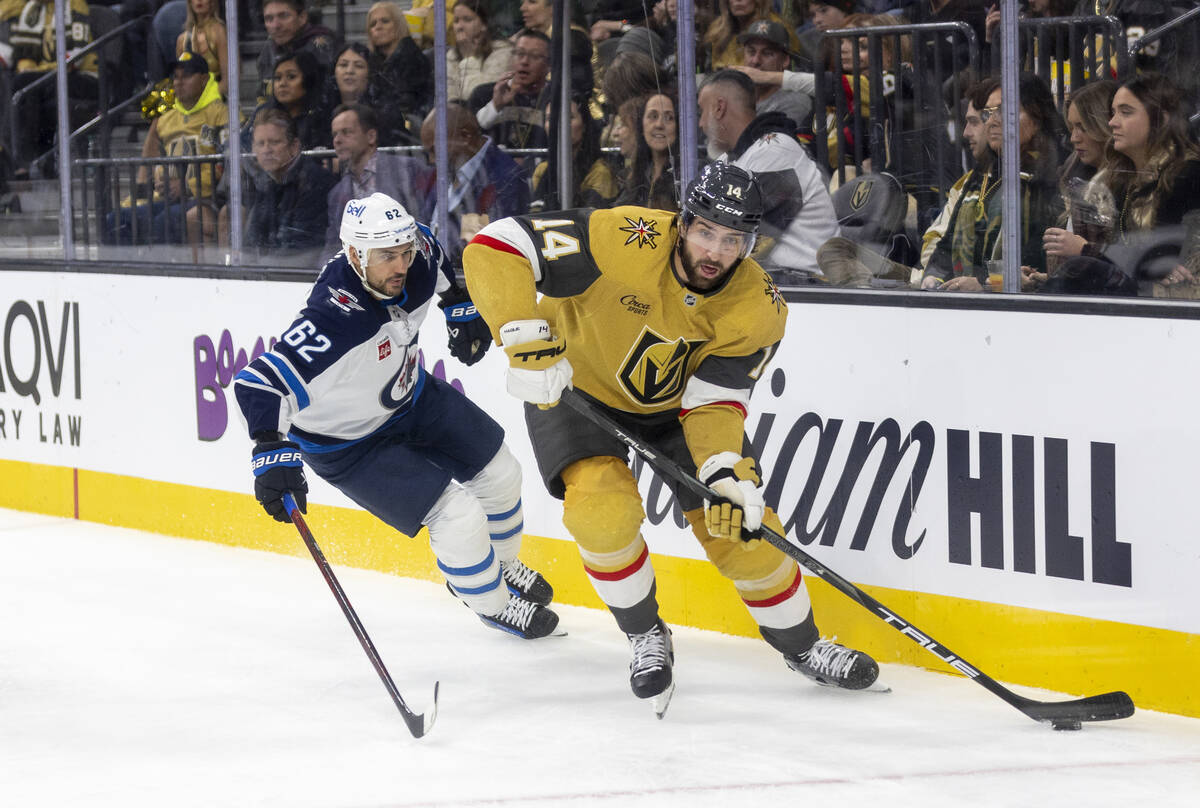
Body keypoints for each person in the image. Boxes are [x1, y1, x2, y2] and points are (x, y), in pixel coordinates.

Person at [461, 162, 879, 713]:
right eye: (706, 231)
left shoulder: (757, 308)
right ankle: (644, 635)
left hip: (678, 410)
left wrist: (723, 468)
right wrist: (521, 330)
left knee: (745, 532)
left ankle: (804, 647)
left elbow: (714, 400)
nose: (716, 251)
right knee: (600, 513)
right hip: (577, 387)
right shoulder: (623, 240)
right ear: (683, 224)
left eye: (734, 240)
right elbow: (497, 244)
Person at [233, 191, 560, 641]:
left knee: (502, 473)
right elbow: (257, 382)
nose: (401, 265)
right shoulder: (335, 316)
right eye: (386, 256)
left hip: (410, 395)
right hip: (349, 444)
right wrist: (271, 451)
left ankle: (501, 566)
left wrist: (458, 305)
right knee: (458, 516)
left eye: (403, 251)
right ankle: (493, 603)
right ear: (354, 254)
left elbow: (438, 258)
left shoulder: (418, 250)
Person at [817, 77, 999, 287]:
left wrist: (980, 284)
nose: (965, 132)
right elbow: (942, 246)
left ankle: (869, 301)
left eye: (974, 122)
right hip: (923, 278)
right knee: (834, 249)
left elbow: (997, 266)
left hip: (952, 286)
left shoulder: (1013, 188)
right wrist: (930, 276)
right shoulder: (968, 183)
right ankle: (867, 297)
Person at [1047, 73, 1200, 298]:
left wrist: (1085, 249)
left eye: (1125, 112)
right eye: (1113, 113)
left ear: (1161, 119)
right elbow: (1133, 261)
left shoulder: (1187, 174)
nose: (1112, 122)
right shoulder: (1124, 178)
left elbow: (1162, 261)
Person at [921, 73, 1067, 291]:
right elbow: (947, 244)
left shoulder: (1052, 177)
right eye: (989, 113)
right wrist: (935, 277)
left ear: (1037, 119)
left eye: (1006, 112)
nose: (993, 121)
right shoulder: (982, 174)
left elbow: (1034, 264)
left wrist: (981, 284)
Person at [697, 69, 840, 280]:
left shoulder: (775, 151)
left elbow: (735, 241)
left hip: (810, 291)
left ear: (719, 108)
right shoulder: (733, 159)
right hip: (777, 288)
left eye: (701, 111)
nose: (700, 123)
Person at [103, 50, 228, 246]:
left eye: (186, 76)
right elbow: (155, 161)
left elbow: (225, 165)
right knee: (116, 220)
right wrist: (159, 180)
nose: (178, 82)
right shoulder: (165, 118)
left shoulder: (221, 113)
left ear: (204, 79)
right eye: (175, 77)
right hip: (169, 199)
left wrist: (185, 186)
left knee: (166, 221)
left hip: (206, 198)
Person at [419, 101, 530, 260]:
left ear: (465, 137)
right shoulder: (448, 169)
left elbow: (492, 247)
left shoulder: (505, 177)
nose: (431, 160)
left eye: (435, 150)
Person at [3, 0, 99, 177]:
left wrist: (38, 72)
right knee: (25, 84)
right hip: (49, 79)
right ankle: (37, 161)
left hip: (83, 78)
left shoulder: (75, 4)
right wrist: (28, 68)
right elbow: (25, 54)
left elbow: (75, 57)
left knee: (26, 84)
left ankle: (27, 160)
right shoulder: (32, 8)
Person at [325, 103, 430, 255]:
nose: (337, 140)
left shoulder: (407, 170)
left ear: (371, 136)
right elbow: (332, 248)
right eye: (334, 134)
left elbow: (424, 225)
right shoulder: (336, 193)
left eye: (346, 132)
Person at [242, 107, 337, 259]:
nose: (267, 150)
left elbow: (301, 250)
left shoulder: (314, 182)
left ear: (294, 146)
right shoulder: (267, 183)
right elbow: (252, 243)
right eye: (261, 143)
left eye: (274, 142)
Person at [468, 28, 552, 166]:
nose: (524, 61)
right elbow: (468, 137)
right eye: (519, 54)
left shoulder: (555, 98)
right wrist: (495, 106)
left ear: (548, 65)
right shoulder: (484, 94)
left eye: (535, 56)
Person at [530, 94, 619, 210]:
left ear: (585, 124)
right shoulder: (541, 170)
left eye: (568, 117)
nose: (557, 124)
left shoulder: (600, 173)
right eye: (549, 118)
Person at [734, 19, 813, 131]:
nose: (756, 60)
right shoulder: (737, 96)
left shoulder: (795, 101)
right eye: (751, 52)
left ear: (785, 60)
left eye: (767, 53)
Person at [256, 0, 336, 105]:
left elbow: (324, 96)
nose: (276, 25)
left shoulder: (320, 46)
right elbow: (264, 93)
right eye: (269, 19)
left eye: (283, 16)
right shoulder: (269, 47)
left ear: (302, 17)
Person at [366, 1, 433, 123]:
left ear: (399, 25)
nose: (378, 27)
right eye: (373, 24)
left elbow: (407, 105)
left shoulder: (413, 60)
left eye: (385, 21)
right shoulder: (370, 63)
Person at [612, 92, 679, 211]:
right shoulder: (636, 174)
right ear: (641, 125)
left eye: (669, 118)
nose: (659, 125)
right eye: (653, 116)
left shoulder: (687, 175)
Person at [702, 0, 798, 71]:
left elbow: (795, 73)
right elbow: (709, 73)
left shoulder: (778, 27)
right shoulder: (716, 31)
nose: (738, 1)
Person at [447, 0, 513, 102]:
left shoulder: (502, 52)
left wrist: (469, 57)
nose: (459, 27)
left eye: (467, 20)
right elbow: (447, 98)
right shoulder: (451, 55)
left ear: (484, 24)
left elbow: (476, 97)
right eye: (456, 21)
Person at [175, 0, 227, 96]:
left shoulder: (219, 32)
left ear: (212, 2)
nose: (199, 0)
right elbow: (178, 79)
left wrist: (206, 99)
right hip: (189, 101)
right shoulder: (182, 40)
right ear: (190, 2)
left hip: (216, 100)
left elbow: (228, 80)